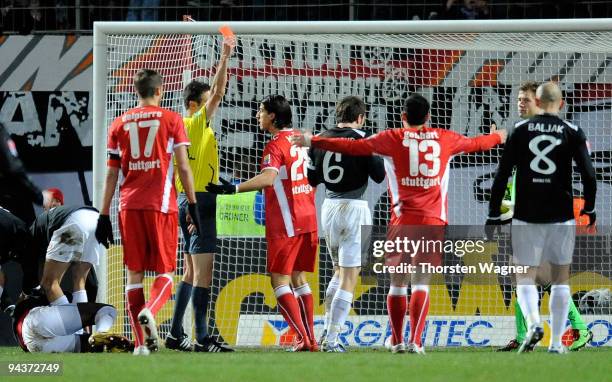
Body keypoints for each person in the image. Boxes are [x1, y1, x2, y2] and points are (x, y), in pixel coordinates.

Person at [291, 93, 506, 354]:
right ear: (428, 117)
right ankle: (415, 341)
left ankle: (396, 340)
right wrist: (499, 136)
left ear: (403, 117)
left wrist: (313, 140)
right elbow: (478, 144)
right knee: (422, 282)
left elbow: (351, 147)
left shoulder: (392, 138)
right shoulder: (444, 138)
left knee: (397, 283)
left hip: (400, 221)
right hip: (432, 222)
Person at [487, 82, 597, 354]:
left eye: (525, 99)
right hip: (551, 215)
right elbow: (588, 173)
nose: (520, 104)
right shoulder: (568, 131)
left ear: (538, 101)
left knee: (530, 276)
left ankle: (564, 328)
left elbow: (502, 175)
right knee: (542, 276)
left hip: (532, 215)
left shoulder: (522, 131)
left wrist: (493, 214)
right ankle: (538, 337)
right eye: (518, 99)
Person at [95, 68, 198, 356]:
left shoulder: (119, 123)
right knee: (166, 272)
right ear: (160, 90)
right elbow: (184, 167)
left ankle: (141, 345)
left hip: (128, 206)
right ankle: (151, 310)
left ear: (136, 91)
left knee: (134, 274)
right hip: (160, 204)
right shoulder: (171, 119)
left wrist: (103, 214)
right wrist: (192, 204)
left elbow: (111, 175)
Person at [206, 95, 318, 352]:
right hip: (308, 217)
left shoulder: (275, 145)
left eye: (261, 111)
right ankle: (310, 337)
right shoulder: (303, 138)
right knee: (299, 278)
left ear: (273, 117)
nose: (257, 115)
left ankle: (304, 339)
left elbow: (268, 179)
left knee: (279, 281)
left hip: (287, 221)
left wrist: (233, 189)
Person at [166, 37, 235, 353]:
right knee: (203, 274)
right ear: (195, 104)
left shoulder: (183, 126)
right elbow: (219, 91)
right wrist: (225, 56)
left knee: (191, 272)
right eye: (207, 101)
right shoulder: (194, 122)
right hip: (200, 203)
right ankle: (202, 338)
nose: (214, 104)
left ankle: (175, 333)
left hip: (185, 201)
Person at [306, 96, 385, 352]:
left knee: (338, 272)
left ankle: (326, 332)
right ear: (360, 117)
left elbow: (311, 179)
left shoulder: (320, 139)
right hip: (355, 208)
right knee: (349, 277)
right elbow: (379, 175)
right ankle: (332, 339)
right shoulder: (364, 139)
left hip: (328, 207)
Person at [11, 291, 131, 353]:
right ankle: (102, 332)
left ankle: (121, 346)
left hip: (33, 347)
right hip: (34, 320)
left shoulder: (18, 317)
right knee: (107, 310)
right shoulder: (33, 298)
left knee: (90, 344)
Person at [32, 204, 102, 308]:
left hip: (75, 223)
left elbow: (35, 272)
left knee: (49, 284)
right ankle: (80, 322)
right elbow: (92, 283)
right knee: (80, 280)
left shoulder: (30, 236)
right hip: (96, 220)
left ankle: (70, 323)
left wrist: (26, 292)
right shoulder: (44, 222)